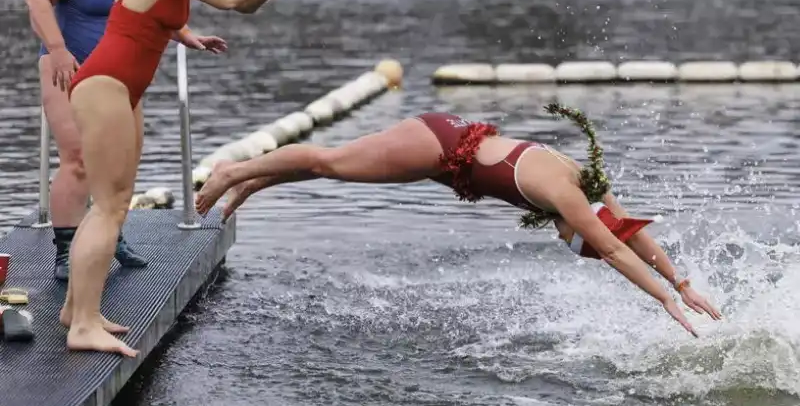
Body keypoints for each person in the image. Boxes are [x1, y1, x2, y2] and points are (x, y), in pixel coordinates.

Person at [195, 103, 723, 337]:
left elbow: (627, 230)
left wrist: (679, 279)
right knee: (331, 160)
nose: (569, 238)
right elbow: (612, 248)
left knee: (341, 170)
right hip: (439, 146)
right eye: (574, 241)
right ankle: (231, 170)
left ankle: (253, 180)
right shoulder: (569, 195)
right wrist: (667, 302)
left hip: (451, 156)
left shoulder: (589, 185)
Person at [61, 0, 299, 357]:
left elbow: (245, 2)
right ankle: (82, 325)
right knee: (109, 206)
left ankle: (76, 309)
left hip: (122, 86)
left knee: (116, 203)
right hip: (105, 81)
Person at [24, 0, 225, 282]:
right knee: (78, 158)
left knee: (120, 162)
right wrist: (57, 49)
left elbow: (144, 8)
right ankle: (65, 248)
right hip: (68, 68)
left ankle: (109, 234)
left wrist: (185, 35)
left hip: (118, 75)